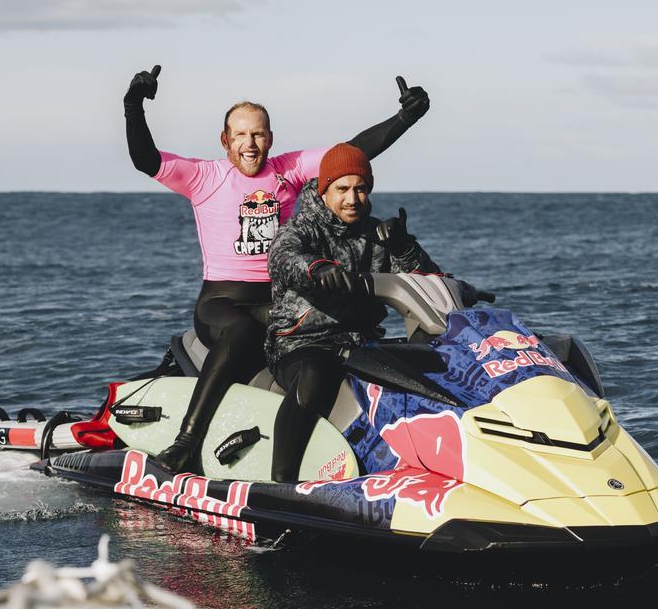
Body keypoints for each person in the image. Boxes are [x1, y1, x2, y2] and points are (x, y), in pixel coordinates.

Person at [124, 66, 431, 473]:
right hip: (221, 302)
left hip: (278, 300)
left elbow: (350, 155)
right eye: (240, 135)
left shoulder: (287, 169)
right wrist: (133, 107)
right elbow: (145, 158)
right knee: (244, 331)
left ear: (269, 138)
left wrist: (404, 119)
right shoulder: (203, 176)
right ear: (225, 140)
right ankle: (187, 440)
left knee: (325, 334)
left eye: (258, 134)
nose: (250, 144)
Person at [265, 143, 453, 482]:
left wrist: (404, 246)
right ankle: (282, 480)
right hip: (303, 344)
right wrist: (318, 269)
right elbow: (283, 257)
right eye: (342, 189)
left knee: (432, 368)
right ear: (324, 190)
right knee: (315, 377)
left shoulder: (377, 233)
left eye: (361, 189)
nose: (352, 199)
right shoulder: (303, 228)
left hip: (361, 344)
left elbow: (429, 283)